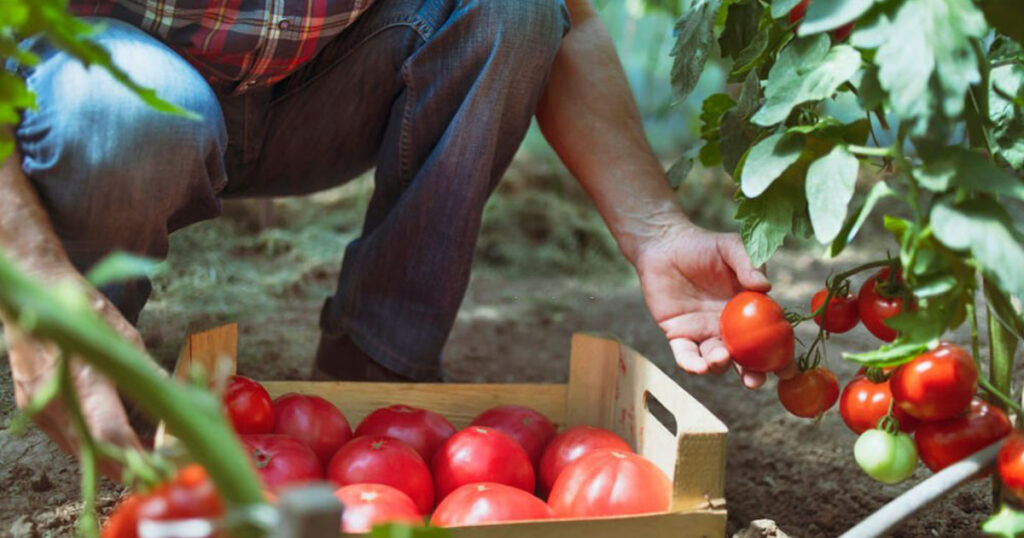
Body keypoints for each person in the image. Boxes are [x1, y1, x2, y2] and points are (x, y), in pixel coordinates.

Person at [1, 0, 792, 466]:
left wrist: (655, 229)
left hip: (321, 90)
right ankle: (91, 352)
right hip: (108, 92)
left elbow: (568, 19)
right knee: (120, 120)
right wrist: (35, 280)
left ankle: (381, 381)